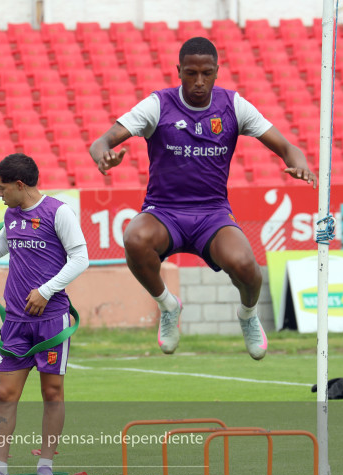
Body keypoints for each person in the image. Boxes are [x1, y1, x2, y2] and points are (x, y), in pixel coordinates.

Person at [89, 37, 316, 360]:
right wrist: (103, 157)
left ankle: (248, 317)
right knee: (134, 238)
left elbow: (287, 147)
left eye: (206, 73)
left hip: (212, 214)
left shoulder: (233, 106)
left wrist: (299, 164)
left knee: (247, 267)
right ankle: (169, 306)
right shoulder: (158, 105)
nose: (199, 81)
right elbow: (102, 141)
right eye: (191, 73)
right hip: (164, 212)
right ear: (178, 70)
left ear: (217, 72)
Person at [0, 154, 88, 475]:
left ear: (19, 185)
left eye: (2, 187)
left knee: (52, 392)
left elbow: (81, 258)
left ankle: (46, 467)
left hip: (51, 319)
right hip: (17, 322)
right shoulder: (11, 215)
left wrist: (47, 291)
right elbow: (3, 244)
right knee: (5, 393)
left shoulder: (59, 212)